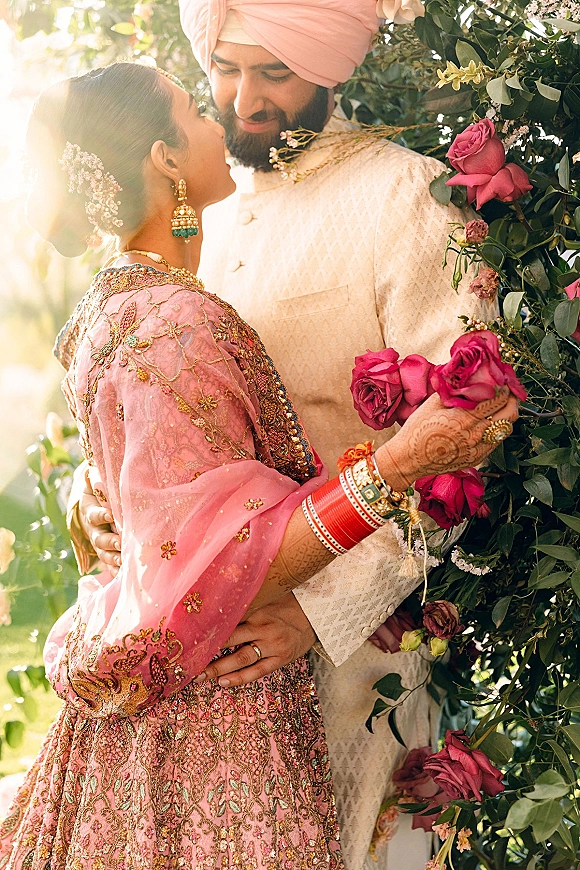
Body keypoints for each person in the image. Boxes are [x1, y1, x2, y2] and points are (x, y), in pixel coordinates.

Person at [0, 61, 517, 870]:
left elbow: (163, 480)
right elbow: (232, 559)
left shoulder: (111, 306)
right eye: (196, 108)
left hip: (256, 691)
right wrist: (404, 459)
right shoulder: (176, 324)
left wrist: (115, 504)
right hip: (218, 723)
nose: (223, 119)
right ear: (167, 160)